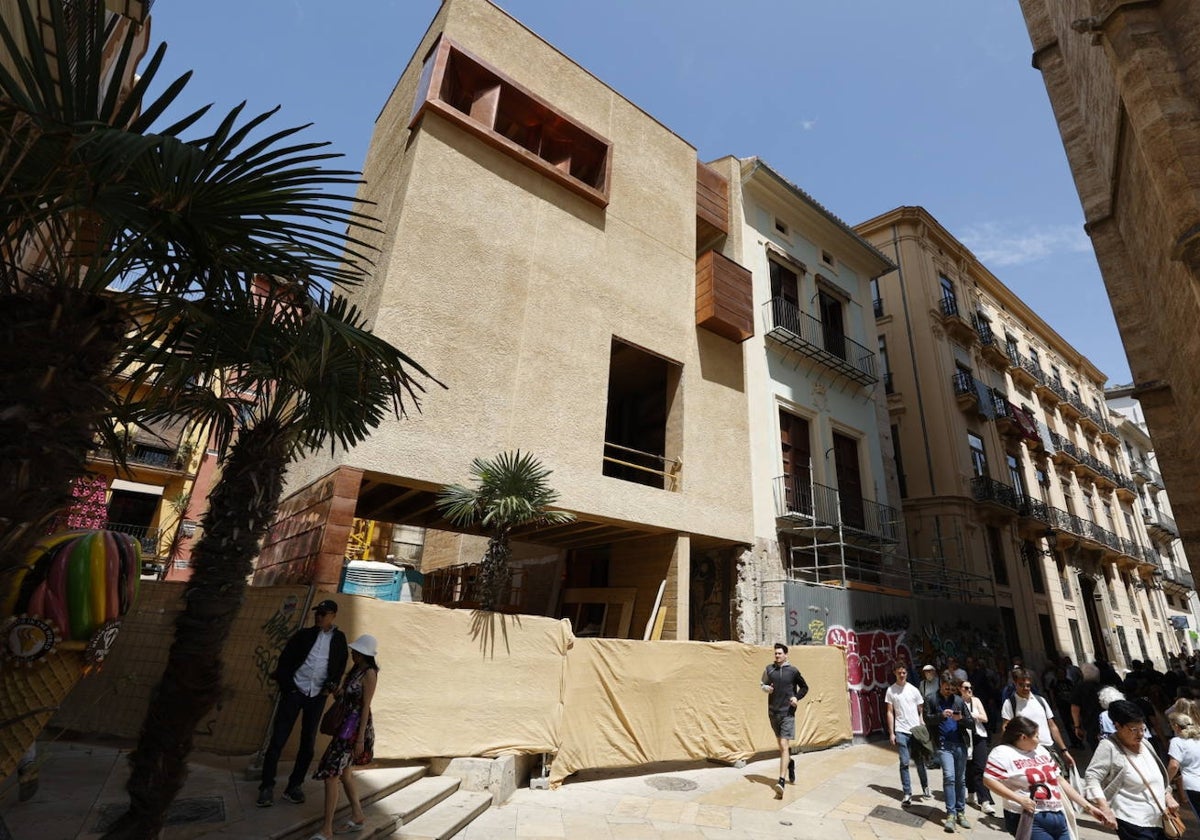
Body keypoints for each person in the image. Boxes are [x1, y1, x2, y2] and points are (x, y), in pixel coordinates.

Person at [258, 598, 349, 807]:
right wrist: (288, 686)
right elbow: (285, 661)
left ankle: (294, 786)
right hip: (295, 691)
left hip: (317, 695)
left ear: (333, 616)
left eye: (323, 614)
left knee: (307, 743)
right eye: (317, 613)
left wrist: (331, 684)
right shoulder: (303, 636)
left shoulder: (338, 639)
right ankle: (266, 787)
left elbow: (340, 664)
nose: (319, 616)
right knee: (277, 740)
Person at [984, 715, 1110, 839]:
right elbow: (989, 780)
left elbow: (1059, 780)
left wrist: (1088, 807)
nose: (1039, 740)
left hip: (1058, 813)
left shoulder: (1041, 750)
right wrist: (1019, 799)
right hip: (1028, 816)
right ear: (1023, 737)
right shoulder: (1002, 753)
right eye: (1036, 736)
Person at [310, 634, 379, 840]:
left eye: (355, 650)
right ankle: (357, 815)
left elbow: (365, 707)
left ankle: (327, 829)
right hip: (344, 727)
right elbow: (346, 698)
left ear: (363, 653)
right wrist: (335, 690)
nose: (352, 652)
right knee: (345, 774)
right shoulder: (356, 671)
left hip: (353, 731)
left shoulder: (369, 674)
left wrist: (359, 740)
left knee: (331, 775)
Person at [1084, 699, 1182, 840]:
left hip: (1159, 818)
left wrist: (1168, 795)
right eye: (1134, 730)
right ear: (1117, 726)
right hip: (1132, 822)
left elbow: (1157, 775)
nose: (1140, 734)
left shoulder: (1146, 744)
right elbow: (1092, 777)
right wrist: (1104, 808)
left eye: (1143, 728)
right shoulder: (1109, 746)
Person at [1001, 668, 1075, 774]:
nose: (1025, 688)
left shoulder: (1041, 701)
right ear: (1015, 684)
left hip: (1048, 748)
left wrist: (1064, 750)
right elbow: (1005, 728)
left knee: (1060, 780)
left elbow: (1052, 726)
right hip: (1027, 752)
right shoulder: (1010, 704)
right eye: (1021, 685)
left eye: (1028, 685)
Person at [761, 642, 809, 798]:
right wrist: (766, 688)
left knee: (783, 745)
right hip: (773, 713)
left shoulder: (793, 671)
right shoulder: (769, 669)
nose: (777, 656)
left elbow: (804, 687)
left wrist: (797, 697)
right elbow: (763, 684)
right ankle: (790, 762)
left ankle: (781, 781)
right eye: (775, 653)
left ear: (786, 655)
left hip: (787, 712)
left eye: (780, 653)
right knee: (782, 748)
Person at [886, 664, 929, 807]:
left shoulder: (913, 690)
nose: (902, 675)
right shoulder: (891, 691)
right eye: (899, 672)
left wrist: (921, 720)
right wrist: (892, 732)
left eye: (904, 672)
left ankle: (925, 786)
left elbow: (920, 706)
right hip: (900, 730)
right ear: (895, 673)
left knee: (919, 761)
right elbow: (890, 711)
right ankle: (907, 793)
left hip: (915, 730)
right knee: (904, 762)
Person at [930, 673, 969, 832]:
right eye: (947, 688)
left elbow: (971, 723)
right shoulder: (932, 699)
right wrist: (940, 716)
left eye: (952, 689)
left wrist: (962, 719)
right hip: (943, 745)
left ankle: (961, 812)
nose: (949, 691)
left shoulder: (958, 701)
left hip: (960, 745)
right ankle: (951, 814)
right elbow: (927, 719)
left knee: (961, 779)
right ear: (941, 684)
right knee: (949, 777)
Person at [960, 678, 997, 816]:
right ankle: (970, 793)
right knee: (969, 767)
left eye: (970, 688)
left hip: (978, 736)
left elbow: (985, 718)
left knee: (980, 767)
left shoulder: (976, 701)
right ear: (960, 690)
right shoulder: (957, 702)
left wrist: (972, 715)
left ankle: (985, 801)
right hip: (965, 737)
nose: (969, 690)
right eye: (965, 688)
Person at [1167, 712, 1200, 821]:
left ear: (1176, 726)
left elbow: (1173, 765)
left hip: (1194, 785)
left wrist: (1165, 781)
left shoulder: (1177, 741)